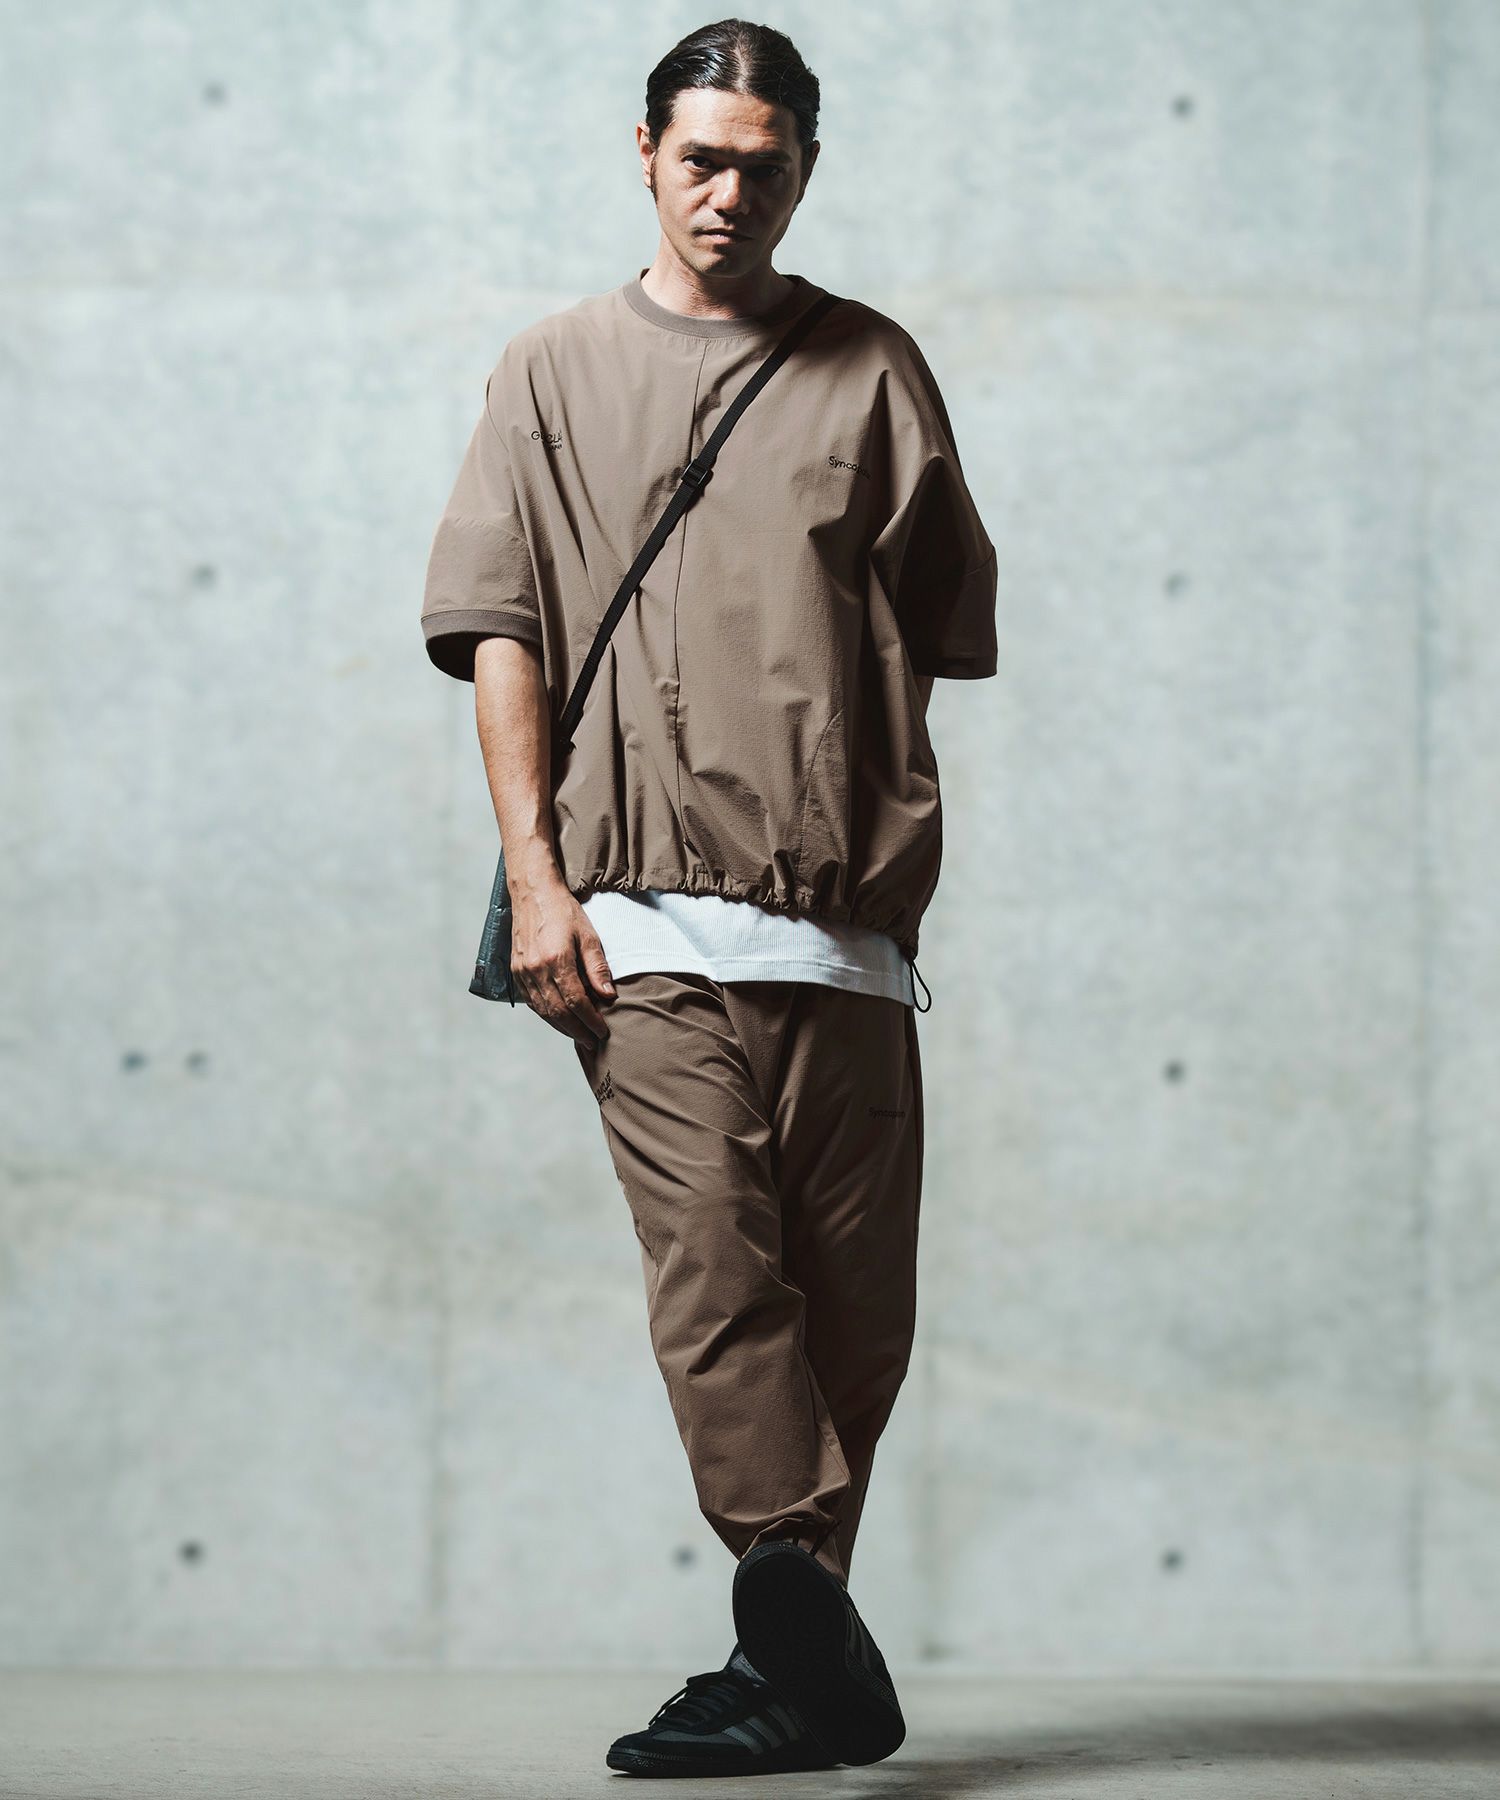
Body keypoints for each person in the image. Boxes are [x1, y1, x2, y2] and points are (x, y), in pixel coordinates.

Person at [420, 18, 997, 1780]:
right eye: (700, 158)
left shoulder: (873, 369)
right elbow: (503, 633)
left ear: (806, 169)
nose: (728, 192)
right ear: (644, 153)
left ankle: (787, 1673)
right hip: (638, 928)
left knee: (853, 1318)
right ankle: (797, 1622)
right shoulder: (553, 369)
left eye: (763, 164)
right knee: (719, 1280)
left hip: (849, 935)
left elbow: (942, 622)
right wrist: (539, 887)